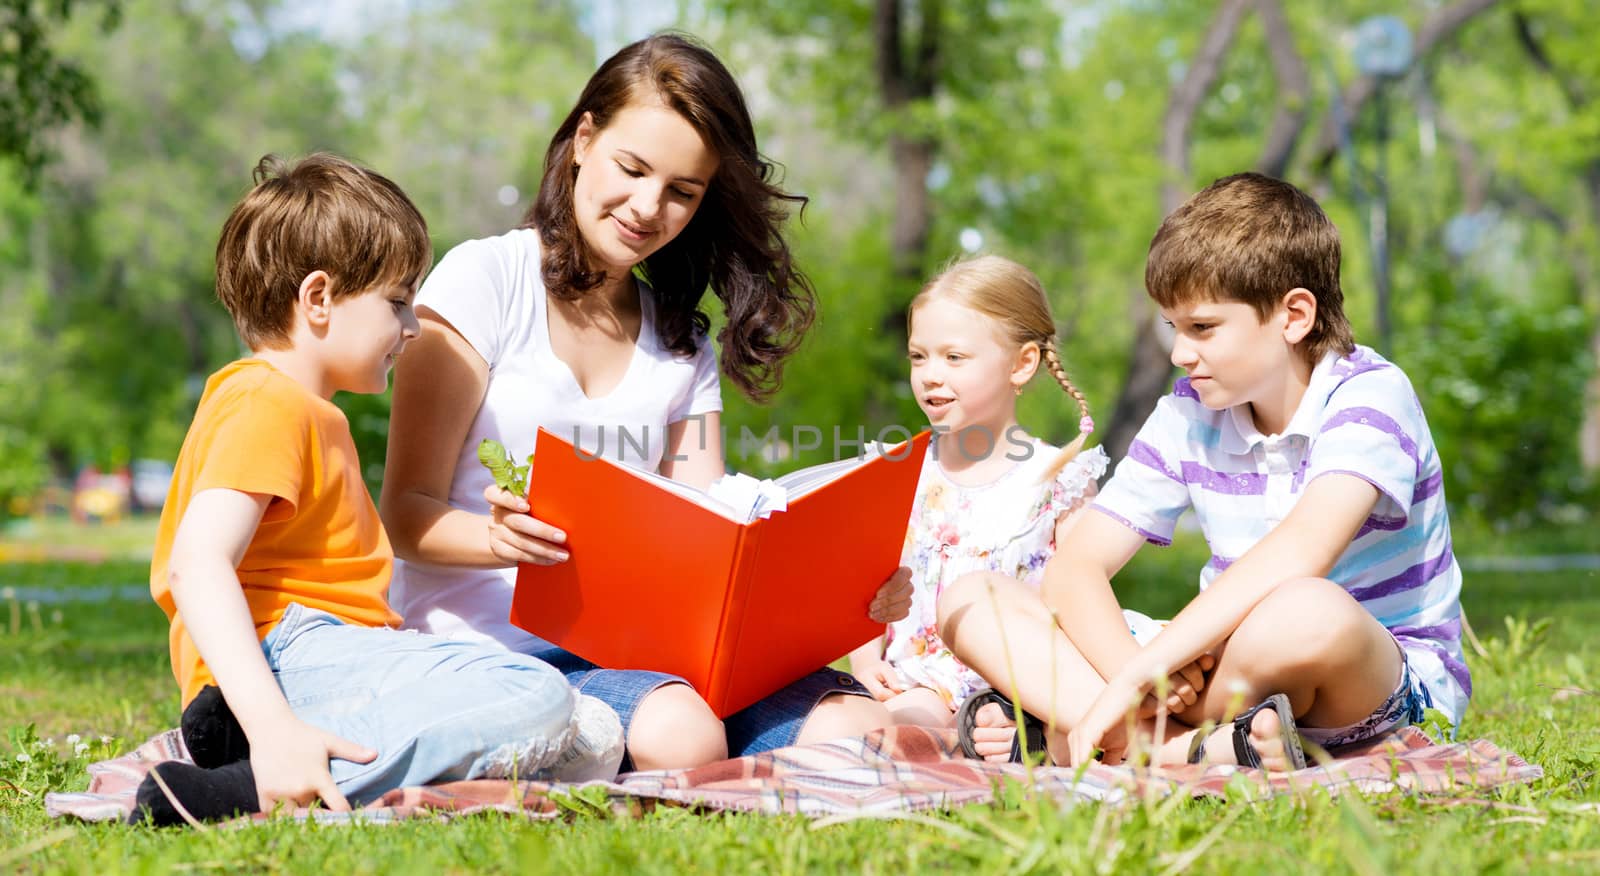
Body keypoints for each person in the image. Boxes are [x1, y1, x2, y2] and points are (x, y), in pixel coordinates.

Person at [381, 33, 910, 772]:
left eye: (682, 192)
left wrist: (850, 589)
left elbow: (715, 527)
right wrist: (500, 542)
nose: (647, 207)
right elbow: (405, 514)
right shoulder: (484, 280)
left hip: (644, 652)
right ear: (583, 140)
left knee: (866, 729)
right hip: (491, 645)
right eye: (631, 169)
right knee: (684, 735)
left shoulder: (680, 343)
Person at [132, 153, 618, 826]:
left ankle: (313, 774)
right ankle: (259, 784)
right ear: (319, 297)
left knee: (593, 735)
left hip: (327, 663)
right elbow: (197, 563)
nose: (412, 329)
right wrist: (271, 727)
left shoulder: (303, 410)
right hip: (286, 665)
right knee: (537, 696)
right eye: (397, 303)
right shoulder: (266, 401)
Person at [938, 173, 1468, 771]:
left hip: (1370, 678)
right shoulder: (1187, 412)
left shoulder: (1370, 395)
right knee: (972, 597)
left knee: (1306, 610)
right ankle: (1185, 745)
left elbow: (1301, 552)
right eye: (1173, 327)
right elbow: (1077, 566)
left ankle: (1096, 735)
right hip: (1220, 671)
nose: (1180, 353)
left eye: (1203, 328)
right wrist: (1139, 677)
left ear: (1293, 315)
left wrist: (1141, 672)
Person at [845, 255, 1137, 745]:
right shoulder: (898, 473)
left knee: (915, 736)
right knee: (871, 730)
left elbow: (1081, 597)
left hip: (1027, 680)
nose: (931, 375)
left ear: (1022, 364)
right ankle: (965, 741)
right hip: (921, 682)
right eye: (919, 356)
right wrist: (867, 663)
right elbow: (866, 583)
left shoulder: (1057, 478)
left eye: (954, 358)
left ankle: (1022, 735)